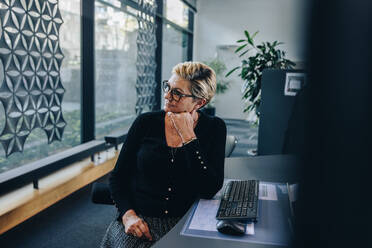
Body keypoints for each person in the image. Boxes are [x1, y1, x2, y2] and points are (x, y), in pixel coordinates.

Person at [100, 61, 227, 248]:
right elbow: (118, 177)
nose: (167, 96)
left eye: (177, 93)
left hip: (186, 218)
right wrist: (128, 216)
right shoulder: (146, 123)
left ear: (199, 102)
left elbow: (209, 188)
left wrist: (189, 138)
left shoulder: (214, 128)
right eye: (168, 87)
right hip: (139, 217)